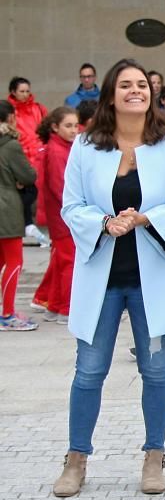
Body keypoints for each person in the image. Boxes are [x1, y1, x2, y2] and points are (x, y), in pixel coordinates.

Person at [52, 58, 165, 497]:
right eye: (126, 85)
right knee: (88, 371)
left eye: (142, 85)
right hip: (103, 276)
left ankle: (155, 455)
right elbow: (70, 206)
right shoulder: (86, 146)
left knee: (155, 370)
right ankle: (77, 458)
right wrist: (102, 223)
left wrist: (147, 218)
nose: (136, 91)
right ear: (110, 93)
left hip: (152, 276)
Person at [32, 107, 80, 324]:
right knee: (69, 262)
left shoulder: (60, 148)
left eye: (75, 125)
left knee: (62, 261)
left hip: (61, 215)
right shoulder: (58, 151)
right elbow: (61, 186)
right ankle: (66, 308)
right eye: (68, 126)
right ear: (55, 127)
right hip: (63, 216)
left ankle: (56, 306)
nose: (73, 130)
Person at [0, 101, 38, 331]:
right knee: (14, 261)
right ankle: (7, 314)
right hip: (6, 207)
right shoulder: (11, 145)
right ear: (12, 118)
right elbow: (29, 175)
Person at [7, 77, 49, 247]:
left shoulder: (37, 109)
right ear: (13, 92)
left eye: (27, 91)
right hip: (20, 158)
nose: (25, 94)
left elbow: (45, 128)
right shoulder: (10, 112)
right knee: (25, 194)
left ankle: (27, 225)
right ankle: (25, 224)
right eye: (21, 91)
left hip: (37, 157)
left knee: (33, 194)